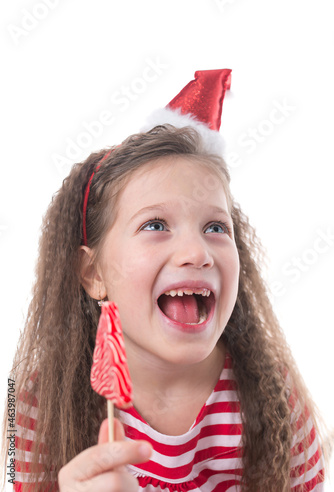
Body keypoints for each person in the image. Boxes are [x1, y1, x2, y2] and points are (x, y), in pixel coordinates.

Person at [2, 70, 326, 491]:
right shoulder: (30, 408)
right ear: (93, 273)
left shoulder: (276, 399)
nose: (197, 252)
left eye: (215, 227)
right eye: (155, 225)